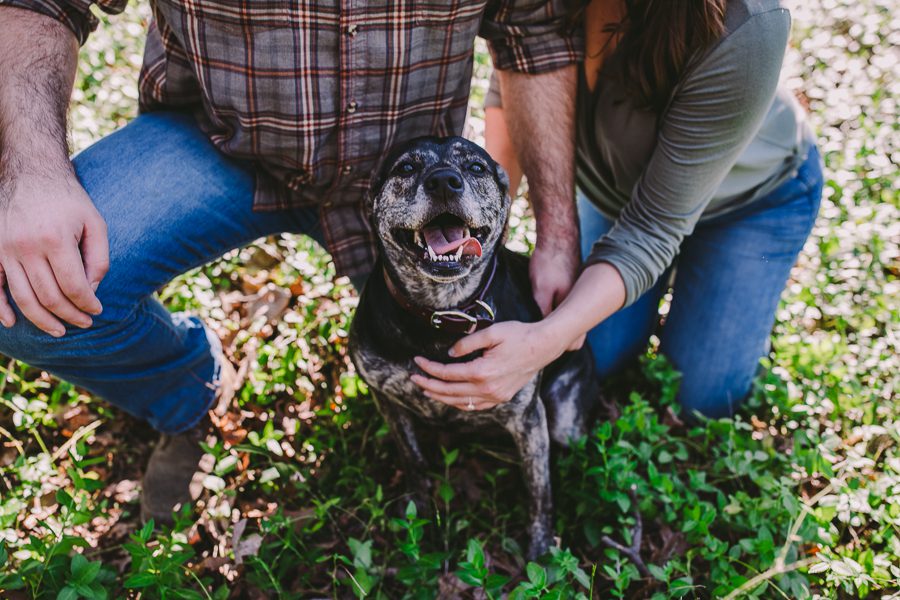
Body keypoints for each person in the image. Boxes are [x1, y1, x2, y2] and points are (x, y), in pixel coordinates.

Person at [0, 0, 584, 524]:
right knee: (26, 296)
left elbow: (532, 32)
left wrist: (557, 234)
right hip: (217, 143)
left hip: (404, 182)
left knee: (458, 328)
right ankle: (187, 391)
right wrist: (33, 173)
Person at [413, 0, 822, 419]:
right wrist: (486, 244)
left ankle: (721, 287)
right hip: (617, 196)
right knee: (595, 356)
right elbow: (514, 88)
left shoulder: (751, 22)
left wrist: (541, 343)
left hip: (747, 203)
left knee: (700, 398)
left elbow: (653, 229)